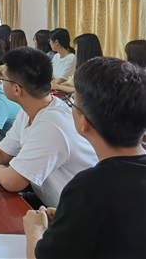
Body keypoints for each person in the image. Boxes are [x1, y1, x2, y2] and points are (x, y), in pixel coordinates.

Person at [0, 48, 97, 208]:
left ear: (17, 89)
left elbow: (12, 181)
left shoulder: (51, 124)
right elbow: (1, 153)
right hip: (53, 203)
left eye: (2, 79)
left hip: (78, 212)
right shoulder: (30, 110)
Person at [24, 57, 146, 259]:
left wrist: (34, 229)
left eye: (73, 102)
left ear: (84, 122)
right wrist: (72, 217)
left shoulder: (88, 187)